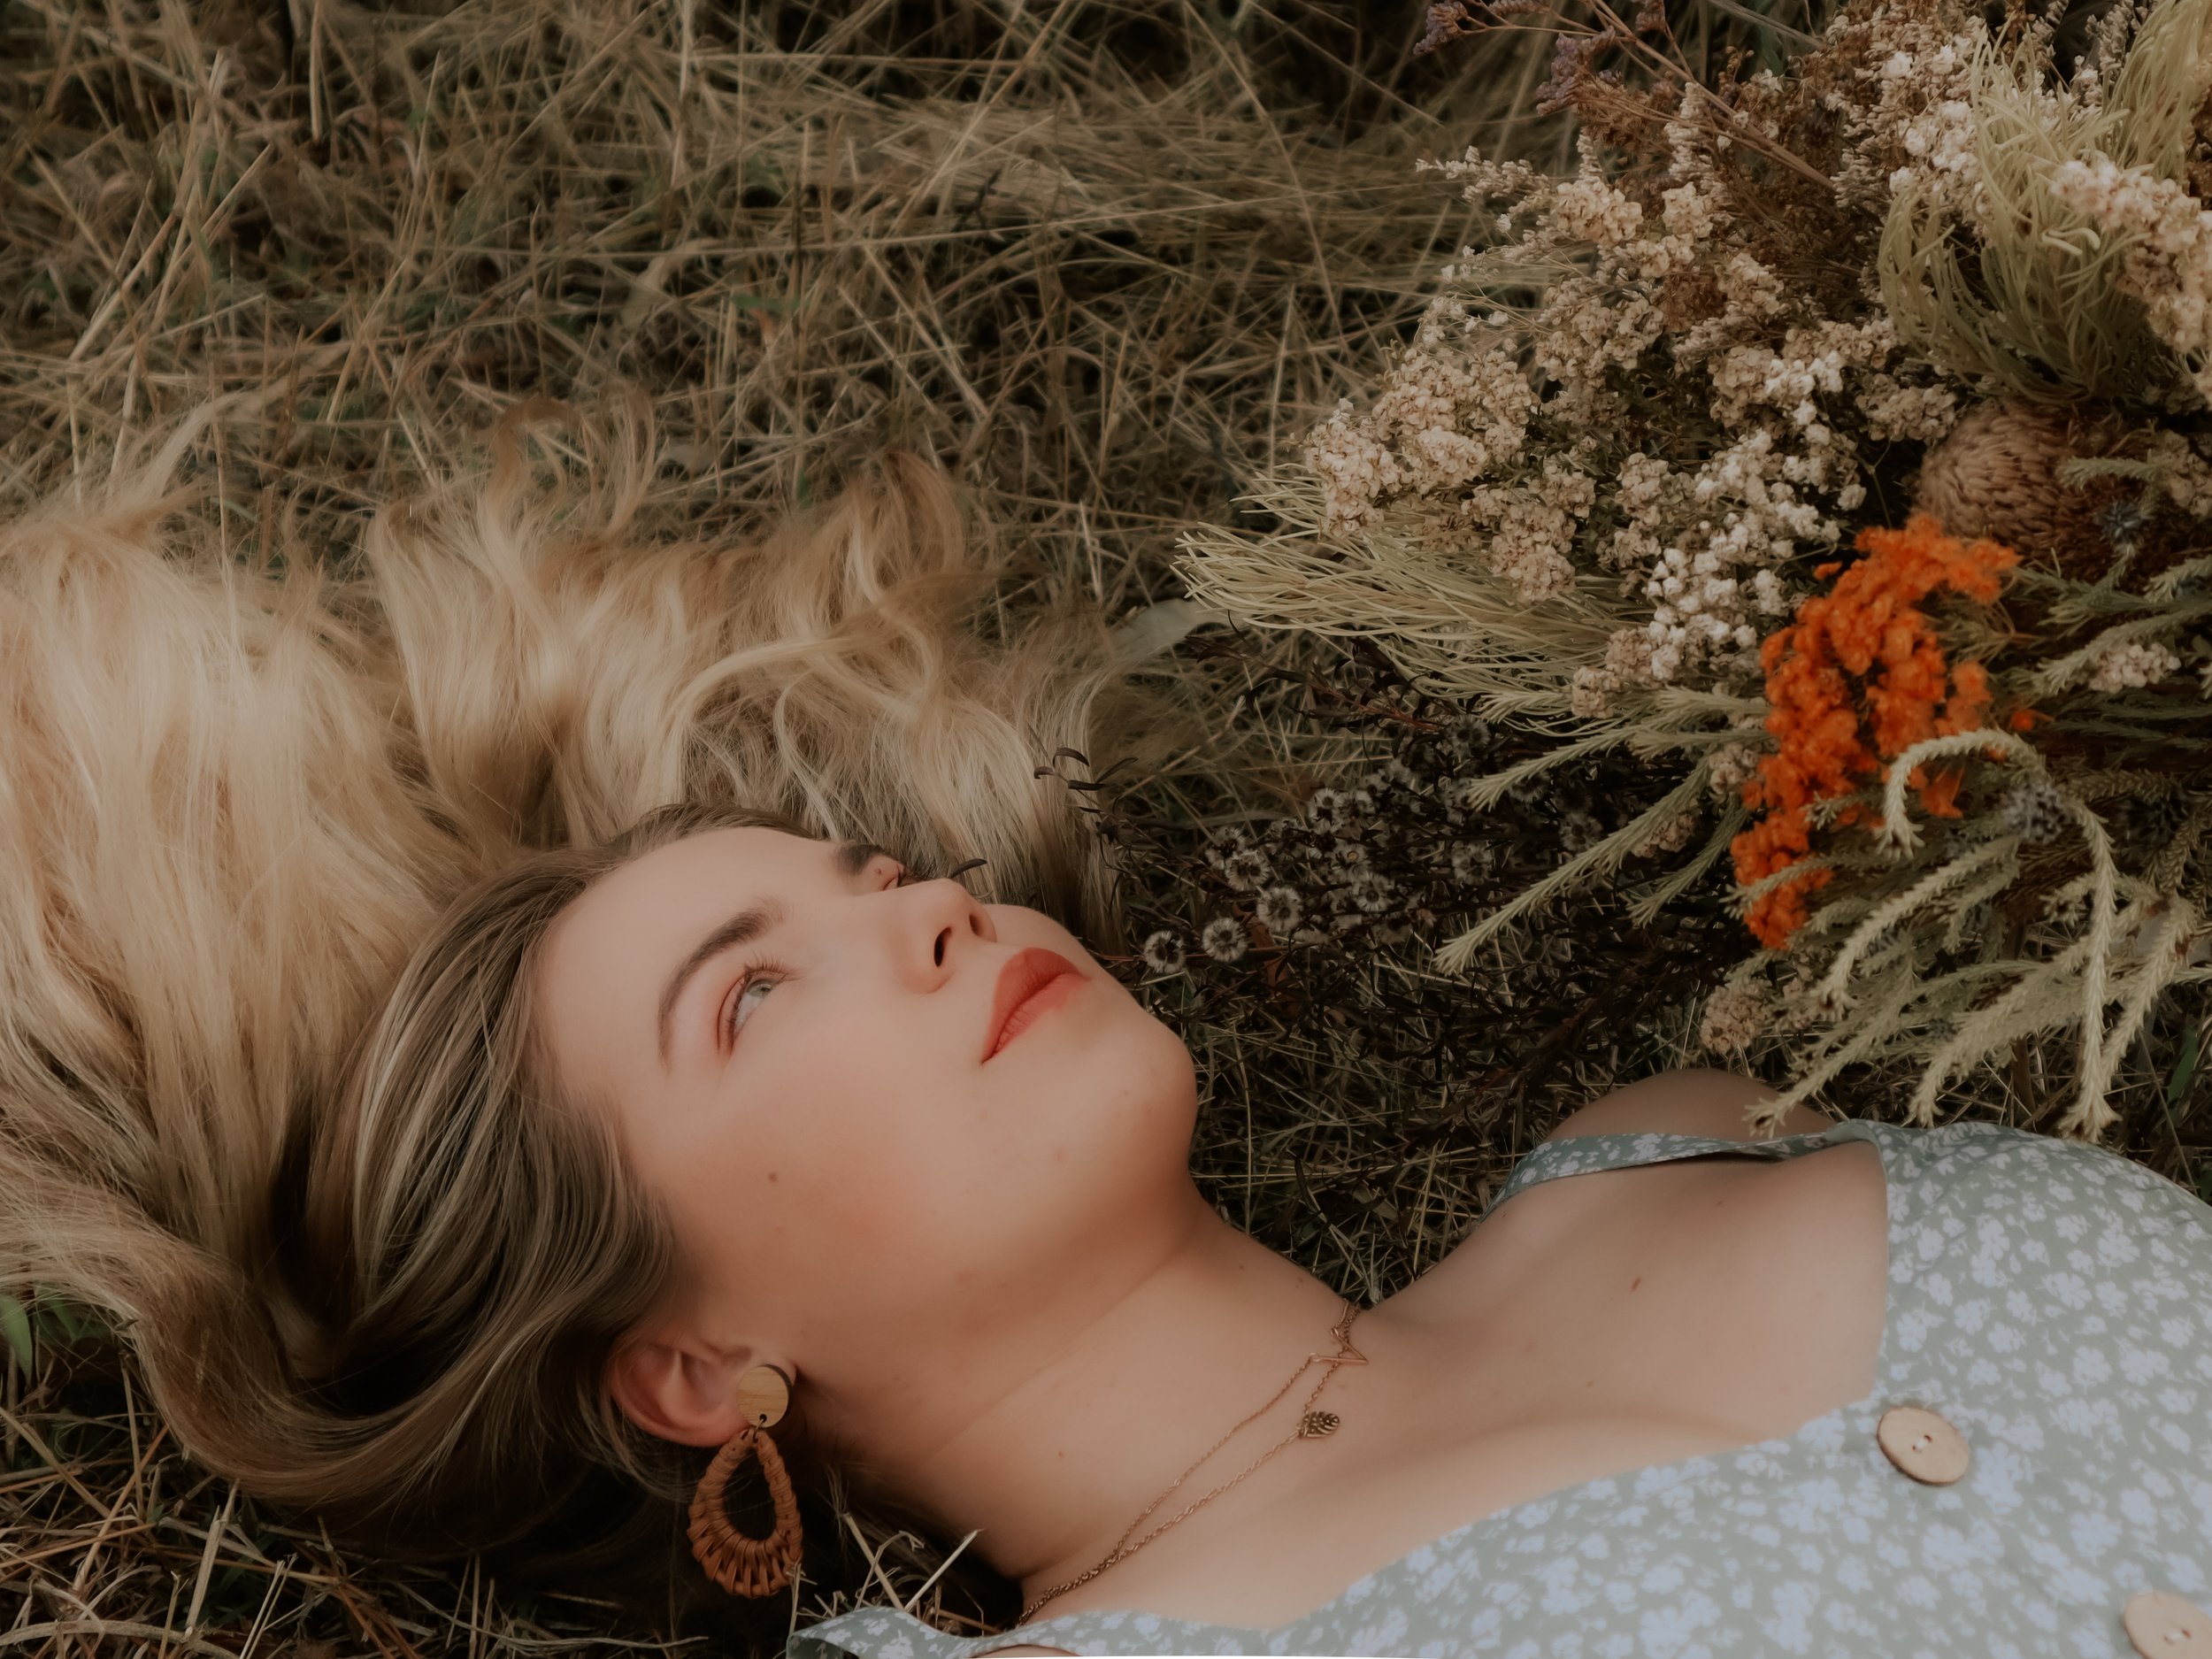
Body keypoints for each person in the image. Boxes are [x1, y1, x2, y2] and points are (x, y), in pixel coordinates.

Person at [4, 407, 2209, 1659]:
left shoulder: (1682, 1124)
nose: (934, 913)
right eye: (753, 987)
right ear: (692, 1368)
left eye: (873, 879)